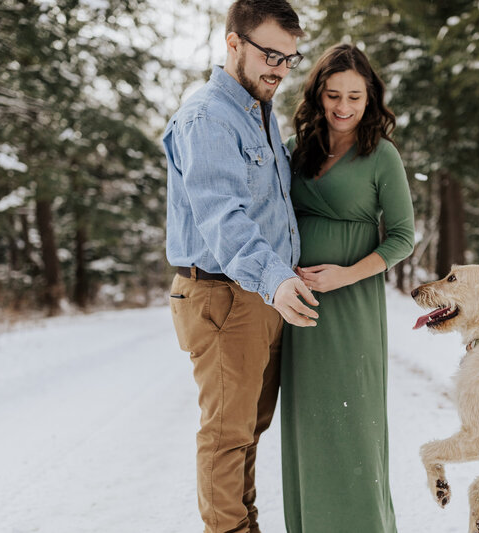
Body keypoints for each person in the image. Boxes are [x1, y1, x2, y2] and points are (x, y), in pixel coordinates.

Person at [162, 1, 318, 532]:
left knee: (249, 426)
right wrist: (275, 278)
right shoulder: (207, 116)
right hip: (224, 294)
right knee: (227, 431)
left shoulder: (258, 112)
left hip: (259, 292)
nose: (279, 68)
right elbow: (222, 217)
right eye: (270, 54)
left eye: (289, 58)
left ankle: (243, 524)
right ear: (233, 44)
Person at [280, 44, 415, 533]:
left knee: (353, 423)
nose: (343, 107)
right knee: (308, 425)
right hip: (299, 306)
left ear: (370, 98)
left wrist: (345, 274)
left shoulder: (381, 156)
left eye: (354, 97)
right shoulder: (301, 150)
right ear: (318, 95)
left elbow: (403, 237)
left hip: (352, 303)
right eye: (333, 95)